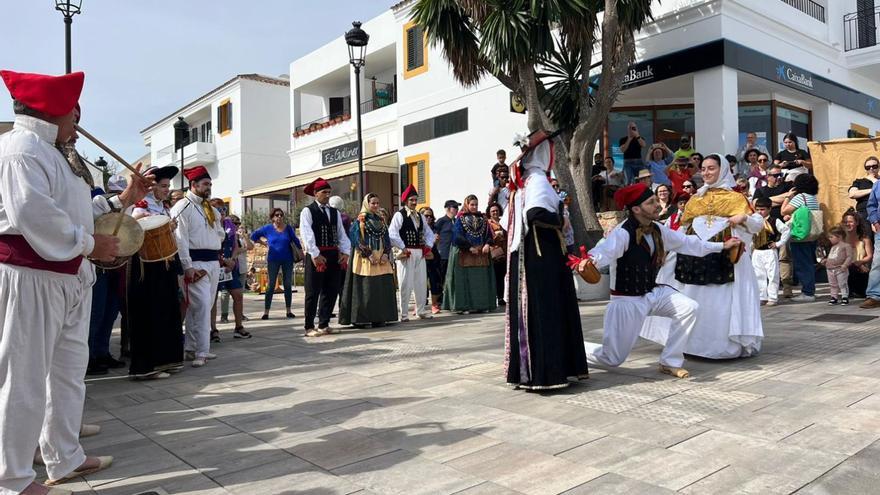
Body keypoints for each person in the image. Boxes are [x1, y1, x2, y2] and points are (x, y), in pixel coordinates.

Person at [0, 70, 158, 492]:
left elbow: (78, 211)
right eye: (74, 112)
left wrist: (124, 200)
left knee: (67, 372)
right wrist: (90, 244)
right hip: (32, 276)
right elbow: (32, 216)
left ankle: (63, 456)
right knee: (24, 377)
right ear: (53, 110)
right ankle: (11, 479)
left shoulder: (53, 152)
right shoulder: (21, 149)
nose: (78, 121)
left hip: (66, 276)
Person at [585, 183, 739, 378]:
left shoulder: (657, 229)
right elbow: (603, 252)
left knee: (689, 307)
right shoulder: (623, 232)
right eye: (651, 202)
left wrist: (721, 246)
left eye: (656, 200)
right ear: (636, 209)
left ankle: (670, 361)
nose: (657, 205)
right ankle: (573, 350)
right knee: (611, 359)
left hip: (653, 292)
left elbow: (687, 243)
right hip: (627, 300)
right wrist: (587, 262)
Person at [642, 154, 765, 359]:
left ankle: (720, 347)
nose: (706, 172)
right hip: (692, 257)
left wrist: (743, 217)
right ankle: (688, 343)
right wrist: (667, 252)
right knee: (690, 297)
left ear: (723, 170)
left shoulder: (737, 198)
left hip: (725, 257)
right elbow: (682, 229)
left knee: (719, 301)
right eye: (704, 168)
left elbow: (757, 225)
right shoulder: (695, 198)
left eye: (711, 168)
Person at [505, 130, 588, 390]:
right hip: (543, 254)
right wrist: (560, 220)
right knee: (547, 309)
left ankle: (533, 372)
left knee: (538, 310)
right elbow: (536, 214)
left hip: (531, 254)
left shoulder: (525, 183)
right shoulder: (538, 180)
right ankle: (548, 372)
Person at [128, 165, 186, 379]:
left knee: (167, 310)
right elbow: (134, 227)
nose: (166, 190)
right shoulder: (139, 206)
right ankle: (146, 366)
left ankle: (166, 359)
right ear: (151, 187)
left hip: (165, 264)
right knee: (149, 312)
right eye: (163, 186)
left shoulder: (163, 207)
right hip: (147, 266)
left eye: (168, 186)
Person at [171, 166, 225, 367]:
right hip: (195, 263)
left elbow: (220, 232)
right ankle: (203, 350)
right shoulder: (181, 207)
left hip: (213, 262)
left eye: (210, 184)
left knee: (204, 305)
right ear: (193, 185)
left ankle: (192, 348)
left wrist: (216, 239)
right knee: (201, 305)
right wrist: (187, 266)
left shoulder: (210, 208)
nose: (209, 187)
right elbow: (180, 240)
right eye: (205, 184)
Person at [85, 176, 128, 376]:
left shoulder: (122, 205)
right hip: (96, 265)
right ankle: (89, 356)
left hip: (115, 265)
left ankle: (101, 352)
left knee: (110, 312)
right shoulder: (94, 198)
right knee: (96, 312)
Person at [299, 178, 351, 336]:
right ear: (315, 194)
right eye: (324, 192)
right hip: (317, 254)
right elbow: (306, 233)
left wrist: (345, 252)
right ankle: (309, 327)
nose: (327, 195)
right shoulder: (308, 211)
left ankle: (324, 323)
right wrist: (315, 254)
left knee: (331, 290)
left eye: (329, 192)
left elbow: (341, 235)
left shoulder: (334, 212)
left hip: (333, 254)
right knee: (313, 291)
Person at [339, 193, 398, 327]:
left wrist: (386, 253)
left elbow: (386, 238)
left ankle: (380, 317)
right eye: (373, 203)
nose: (376, 205)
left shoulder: (381, 220)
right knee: (365, 288)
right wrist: (368, 254)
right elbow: (355, 238)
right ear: (367, 204)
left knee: (380, 288)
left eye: (378, 203)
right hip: (365, 258)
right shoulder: (360, 220)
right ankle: (361, 319)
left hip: (381, 257)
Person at [443, 194, 496, 314]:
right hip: (464, 252)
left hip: (481, 254)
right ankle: (463, 306)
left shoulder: (483, 218)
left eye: (476, 204)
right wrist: (469, 247)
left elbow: (488, 234)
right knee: (464, 282)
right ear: (467, 204)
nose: (474, 207)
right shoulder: (460, 219)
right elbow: (457, 236)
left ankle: (482, 305)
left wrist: (488, 244)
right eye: (472, 204)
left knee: (481, 281)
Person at [389, 185, 436, 321]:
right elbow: (392, 233)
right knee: (405, 283)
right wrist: (403, 247)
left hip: (419, 252)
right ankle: (404, 314)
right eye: (411, 200)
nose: (414, 202)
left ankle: (420, 310)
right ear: (405, 201)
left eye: (415, 200)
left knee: (421, 282)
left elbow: (429, 233)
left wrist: (428, 246)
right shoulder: (400, 215)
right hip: (407, 252)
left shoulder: (420, 216)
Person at [251, 208, 300, 320]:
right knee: (271, 285)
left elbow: (295, 240)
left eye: (281, 215)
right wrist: (263, 243)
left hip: (287, 259)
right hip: (273, 260)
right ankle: (266, 312)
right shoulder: (267, 228)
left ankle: (288, 310)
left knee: (287, 285)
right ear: (272, 217)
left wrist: (301, 252)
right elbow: (254, 236)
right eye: (277, 215)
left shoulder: (288, 228)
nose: (279, 217)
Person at [781, 173, 821, 302]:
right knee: (808, 262)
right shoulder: (813, 198)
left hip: (800, 235)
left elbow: (784, 211)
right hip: (812, 234)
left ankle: (808, 292)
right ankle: (810, 290)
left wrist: (788, 197)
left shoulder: (800, 197)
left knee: (802, 264)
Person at [214, 203, 249, 340]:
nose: (222, 211)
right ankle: (213, 330)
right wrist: (222, 261)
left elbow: (235, 245)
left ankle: (238, 327)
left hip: (231, 266)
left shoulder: (230, 225)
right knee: (212, 300)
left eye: (223, 209)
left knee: (238, 295)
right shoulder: (209, 224)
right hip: (215, 265)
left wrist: (232, 260)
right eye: (218, 209)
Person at [751, 197, 791, 307]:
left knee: (772, 274)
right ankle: (762, 297)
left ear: (769, 209)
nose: (760, 212)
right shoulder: (753, 221)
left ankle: (773, 297)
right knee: (758, 275)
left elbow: (786, 231)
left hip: (769, 251)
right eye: (758, 209)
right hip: (757, 251)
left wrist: (778, 243)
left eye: (762, 209)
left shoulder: (774, 221)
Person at [220, 215, 252, 323]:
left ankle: (240, 315)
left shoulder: (240, 237)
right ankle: (224, 315)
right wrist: (240, 250)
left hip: (240, 267)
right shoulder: (226, 235)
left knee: (239, 293)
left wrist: (245, 237)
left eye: (238, 223)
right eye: (235, 223)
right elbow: (236, 250)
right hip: (229, 267)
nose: (237, 225)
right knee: (225, 293)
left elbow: (251, 247)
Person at [842, 209, 873, 298]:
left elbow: (869, 255)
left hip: (862, 269)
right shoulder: (841, 239)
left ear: (857, 223)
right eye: (845, 222)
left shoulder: (864, 239)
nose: (848, 224)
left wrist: (860, 263)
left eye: (851, 222)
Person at [433, 200, 459, 307]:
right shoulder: (441, 221)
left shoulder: (457, 221)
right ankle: (439, 300)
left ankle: (450, 299)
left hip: (454, 254)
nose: (456, 209)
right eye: (454, 207)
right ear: (448, 208)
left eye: (457, 207)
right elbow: (433, 233)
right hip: (443, 254)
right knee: (441, 278)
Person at [420, 207, 444, 314]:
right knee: (420, 282)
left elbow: (437, 242)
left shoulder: (435, 228)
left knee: (435, 281)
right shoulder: (418, 228)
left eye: (430, 215)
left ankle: (434, 304)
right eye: (426, 215)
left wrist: (436, 241)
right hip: (421, 258)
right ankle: (420, 305)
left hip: (433, 257)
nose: (429, 217)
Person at [822, 226, 853, 305]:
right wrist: (826, 261)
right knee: (832, 284)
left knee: (842, 283)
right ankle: (834, 297)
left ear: (839, 237)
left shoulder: (846, 246)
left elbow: (849, 256)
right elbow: (831, 256)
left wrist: (845, 265)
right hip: (830, 269)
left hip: (840, 268)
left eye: (831, 237)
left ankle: (845, 296)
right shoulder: (833, 247)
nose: (830, 239)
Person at [861, 179, 880, 309]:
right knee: (878, 261)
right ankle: (874, 296)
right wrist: (875, 221)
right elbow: (871, 205)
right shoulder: (878, 184)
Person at [487, 203, 507, 306]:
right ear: (489, 213)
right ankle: (492, 297)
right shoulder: (488, 223)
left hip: (504, 253)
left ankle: (500, 297)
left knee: (501, 276)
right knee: (494, 276)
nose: (495, 212)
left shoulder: (503, 222)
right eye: (493, 211)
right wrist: (495, 237)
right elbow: (487, 237)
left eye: (496, 210)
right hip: (493, 253)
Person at [848, 156, 880, 224]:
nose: (871, 169)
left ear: (878, 167)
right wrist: (873, 190)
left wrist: (875, 181)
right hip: (864, 214)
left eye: (874, 166)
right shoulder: (860, 181)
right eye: (868, 167)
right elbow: (852, 194)